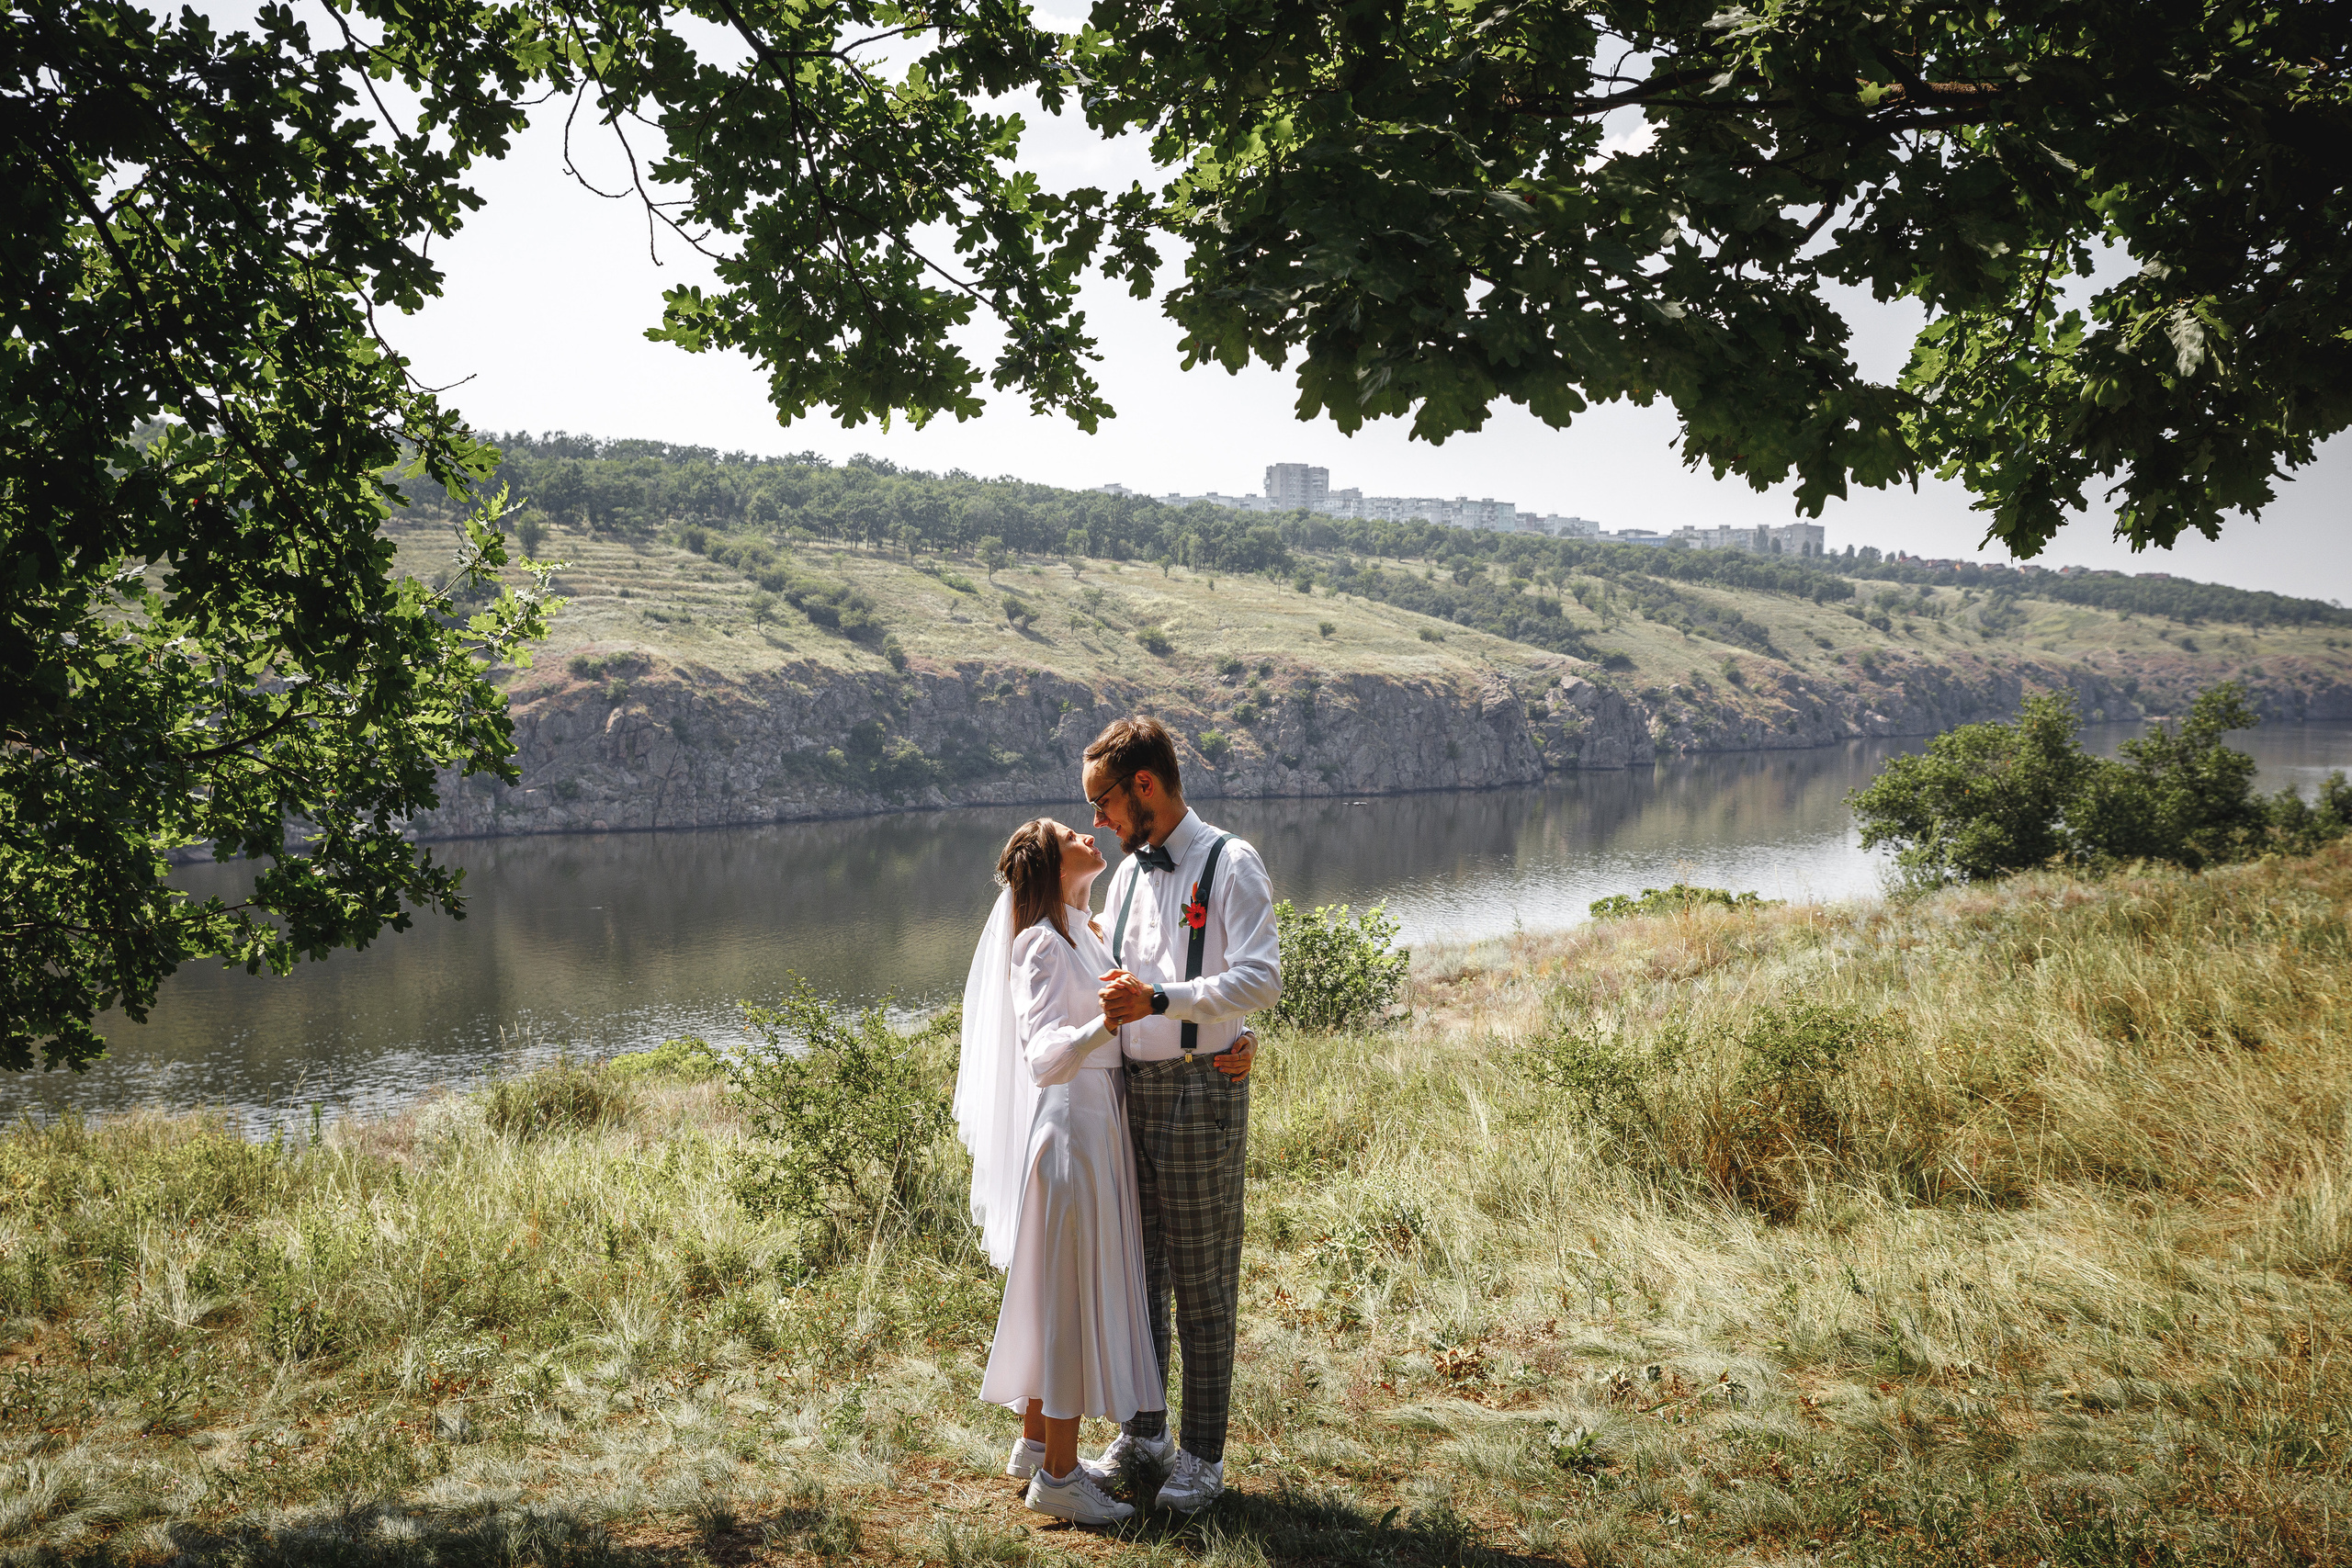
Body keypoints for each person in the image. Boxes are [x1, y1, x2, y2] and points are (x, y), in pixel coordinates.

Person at [1080, 717, 1280, 1513]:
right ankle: (1145, 1430)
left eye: (1103, 801)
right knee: (1141, 1275)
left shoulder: (1232, 861)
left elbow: (1261, 976)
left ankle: (1203, 1455)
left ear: (1144, 788)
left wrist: (1174, 1005)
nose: (1099, 819)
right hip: (1130, 1094)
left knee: (1202, 1282)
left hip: (1201, 1091)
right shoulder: (1125, 876)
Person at [957, 818, 1163, 1525]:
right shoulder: (1039, 944)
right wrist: (1103, 1024)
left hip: (1096, 1120)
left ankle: (1035, 1438)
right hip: (1071, 1125)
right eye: (1073, 831)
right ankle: (1062, 1476)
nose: (1089, 833)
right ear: (1052, 861)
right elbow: (1043, 1057)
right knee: (1070, 1293)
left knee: (1057, 1283)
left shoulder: (1088, 932)